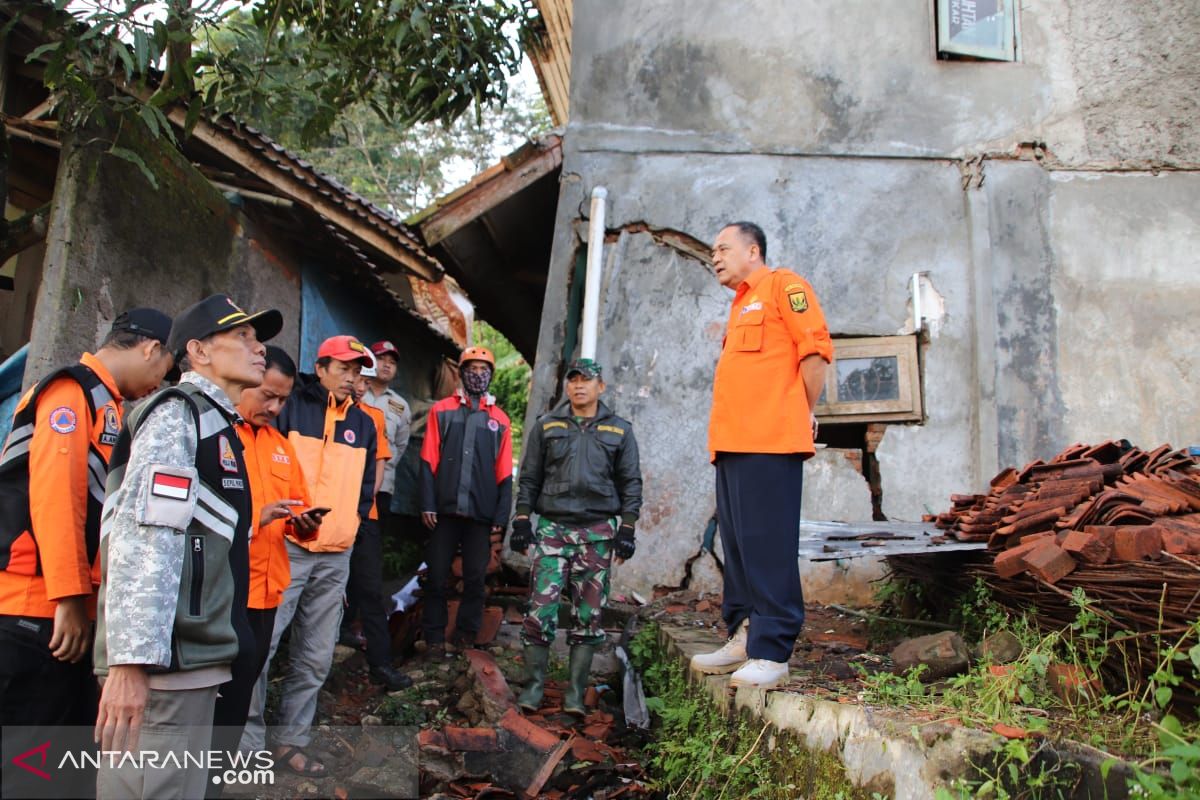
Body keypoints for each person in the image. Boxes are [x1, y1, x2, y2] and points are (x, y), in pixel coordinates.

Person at [93, 294, 281, 799]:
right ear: (196, 351)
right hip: (165, 671)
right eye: (241, 336)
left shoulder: (217, 423)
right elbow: (145, 537)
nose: (258, 348)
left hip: (191, 663)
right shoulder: (179, 415)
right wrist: (129, 666)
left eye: (257, 337)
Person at [0, 308, 173, 731]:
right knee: (28, 753)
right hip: (34, 606)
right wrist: (69, 597)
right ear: (151, 349)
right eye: (167, 370)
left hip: (63, 607)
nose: (161, 385)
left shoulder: (107, 404)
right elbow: (56, 497)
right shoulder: (71, 391)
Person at [689, 222, 833, 690]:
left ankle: (773, 652)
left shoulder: (783, 287)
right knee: (740, 547)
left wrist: (802, 411)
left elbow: (814, 352)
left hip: (771, 440)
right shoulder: (739, 306)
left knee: (768, 546)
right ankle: (745, 636)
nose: (715, 256)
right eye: (713, 250)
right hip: (732, 444)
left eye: (724, 248)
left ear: (753, 250)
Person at [240, 335, 378, 778]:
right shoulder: (290, 407)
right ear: (319, 369)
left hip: (335, 555)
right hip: (285, 547)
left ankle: (290, 742)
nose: (352, 376)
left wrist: (350, 527)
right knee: (263, 648)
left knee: (316, 656)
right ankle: (247, 745)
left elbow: (364, 489)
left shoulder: (366, 423)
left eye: (358, 369)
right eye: (344, 367)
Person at [207, 346, 319, 798]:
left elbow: (299, 507)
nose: (274, 407)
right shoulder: (216, 438)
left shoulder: (280, 447)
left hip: (269, 594)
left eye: (282, 400)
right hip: (225, 593)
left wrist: (305, 524)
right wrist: (258, 517)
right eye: (267, 395)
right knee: (211, 700)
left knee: (237, 701)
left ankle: (218, 781)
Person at [509, 358, 642, 716]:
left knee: (589, 616)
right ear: (567, 386)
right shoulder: (547, 426)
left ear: (601, 386)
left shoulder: (619, 431)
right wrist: (522, 521)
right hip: (553, 531)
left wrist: (627, 529)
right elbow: (530, 479)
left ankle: (574, 695)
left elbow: (631, 483)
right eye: (573, 380)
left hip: (598, 535)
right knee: (540, 611)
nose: (579, 386)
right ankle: (534, 689)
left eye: (587, 380)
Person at [419, 347, 513, 656]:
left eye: (483, 369)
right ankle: (433, 638)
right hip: (444, 512)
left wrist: (501, 515)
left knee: (475, 579)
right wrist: (428, 503)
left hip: (480, 515)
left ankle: (465, 638)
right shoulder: (442, 411)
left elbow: (504, 473)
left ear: (491, 375)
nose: (477, 374)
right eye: (471, 368)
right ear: (461, 374)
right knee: (436, 576)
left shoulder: (499, 420)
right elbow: (428, 460)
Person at [339, 360, 410, 690]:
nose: (356, 382)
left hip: (364, 513)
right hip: (329, 515)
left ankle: (380, 663)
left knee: (370, 586)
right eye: (350, 375)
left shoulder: (375, 417)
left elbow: (382, 463)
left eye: (361, 377)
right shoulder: (319, 412)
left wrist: (364, 506)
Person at [363, 340, 412, 537]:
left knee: (372, 539)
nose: (386, 364)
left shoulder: (400, 405)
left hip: (382, 486)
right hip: (348, 478)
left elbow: (400, 445)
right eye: (381, 358)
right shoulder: (355, 392)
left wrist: (384, 466)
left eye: (392, 361)